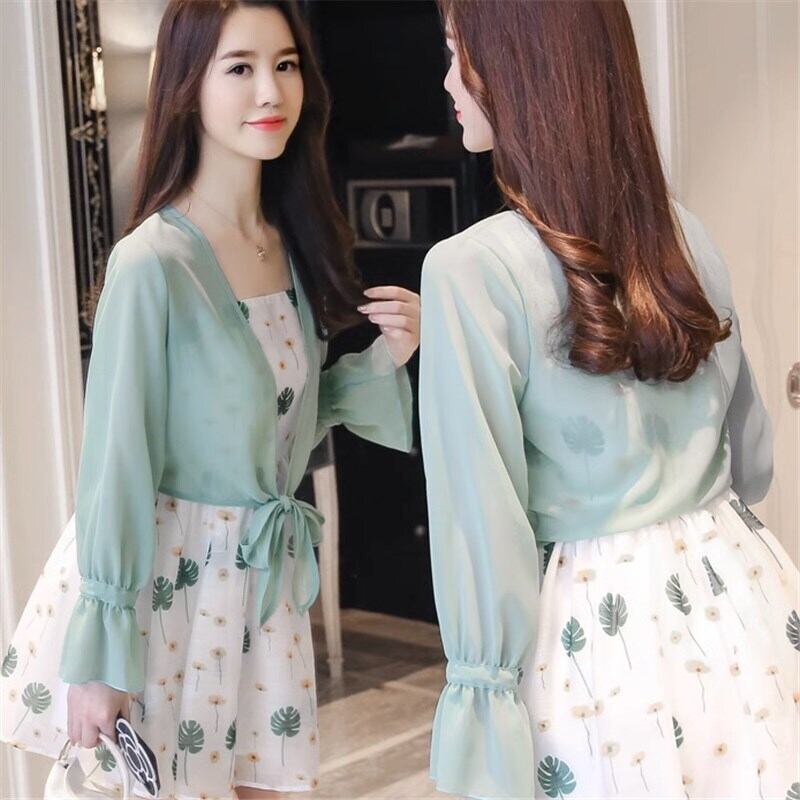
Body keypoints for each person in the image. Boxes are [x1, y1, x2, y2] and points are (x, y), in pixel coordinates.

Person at [0, 2, 419, 798]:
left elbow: (276, 422)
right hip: (169, 588)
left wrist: (385, 360)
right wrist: (105, 657)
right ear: (187, 86)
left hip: (259, 583)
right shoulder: (152, 264)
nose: (270, 90)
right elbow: (115, 466)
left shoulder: (288, 245)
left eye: (286, 64)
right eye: (240, 68)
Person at [418, 1, 798, 798]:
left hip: (601, 642)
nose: (448, 81)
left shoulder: (469, 270)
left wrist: (483, 715)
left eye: (460, 53)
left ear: (520, 67)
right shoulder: (683, 233)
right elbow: (753, 461)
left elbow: (480, 527)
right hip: (745, 607)